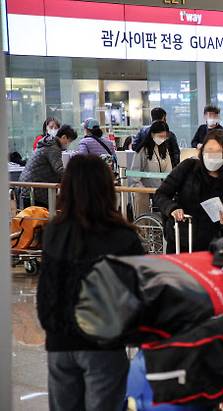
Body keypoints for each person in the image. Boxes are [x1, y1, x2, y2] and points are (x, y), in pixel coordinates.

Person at [37, 155, 145, 411]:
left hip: (60, 343)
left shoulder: (54, 231)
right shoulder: (123, 237)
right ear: (106, 188)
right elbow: (138, 293)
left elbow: (48, 288)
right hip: (104, 344)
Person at [154, 129, 223, 254]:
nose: (213, 156)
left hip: (209, 248)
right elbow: (161, 194)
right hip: (179, 243)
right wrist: (172, 209)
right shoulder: (188, 167)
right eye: (209, 151)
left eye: (219, 152)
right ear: (202, 151)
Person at [19, 125, 78, 207]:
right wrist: (75, 178)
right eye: (70, 141)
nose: (68, 144)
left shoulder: (48, 144)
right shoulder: (53, 148)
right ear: (64, 137)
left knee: (32, 217)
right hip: (36, 189)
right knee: (39, 217)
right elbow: (59, 169)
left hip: (29, 186)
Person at [130, 121, 174, 217]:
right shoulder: (142, 150)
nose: (162, 139)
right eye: (160, 136)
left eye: (164, 136)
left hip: (160, 191)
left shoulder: (164, 150)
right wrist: (143, 189)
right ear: (152, 134)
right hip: (144, 192)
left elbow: (169, 171)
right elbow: (135, 174)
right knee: (144, 216)